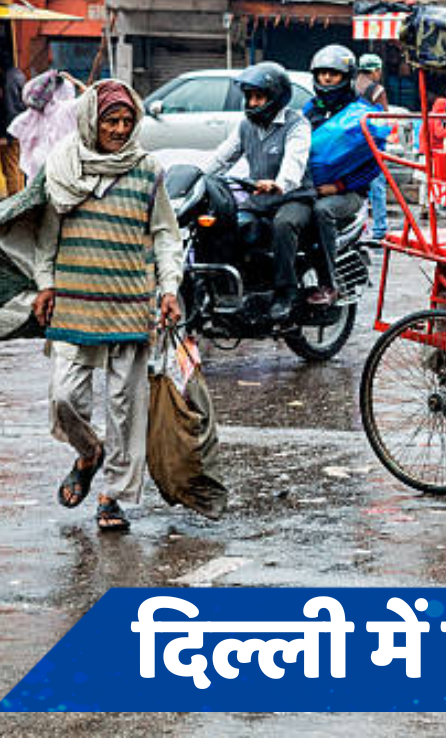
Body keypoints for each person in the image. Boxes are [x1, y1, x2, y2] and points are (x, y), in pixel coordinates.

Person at [31, 80, 183, 532]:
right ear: (90, 122)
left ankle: (111, 496)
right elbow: (46, 237)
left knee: (124, 406)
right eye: (110, 121)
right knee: (64, 396)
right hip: (75, 302)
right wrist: (45, 284)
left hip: (130, 302)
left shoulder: (146, 168)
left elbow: (164, 234)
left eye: (126, 121)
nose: (119, 129)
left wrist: (169, 287)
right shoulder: (61, 168)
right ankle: (88, 452)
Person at [205, 62, 313, 322]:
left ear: (276, 97)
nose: (252, 102)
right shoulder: (246, 126)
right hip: (259, 199)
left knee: (284, 225)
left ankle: (285, 293)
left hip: (294, 198)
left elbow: (294, 160)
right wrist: (197, 177)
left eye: (259, 96)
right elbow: (221, 157)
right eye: (249, 97)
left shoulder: (296, 124)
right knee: (227, 223)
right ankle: (232, 288)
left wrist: (281, 183)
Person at [304, 44, 368, 301]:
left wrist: (338, 187)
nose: (327, 78)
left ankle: (329, 283)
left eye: (334, 74)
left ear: (347, 77)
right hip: (309, 186)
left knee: (322, 210)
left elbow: (372, 166)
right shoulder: (310, 109)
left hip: (348, 193)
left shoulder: (359, 113)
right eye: (322, 74)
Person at [7, 69, 79, 180]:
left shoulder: (30, 116)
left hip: (37, 169)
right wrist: (76, 82)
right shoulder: (69, 108)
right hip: (62, 173)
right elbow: (95, 98)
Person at [355, 53, 390, 241]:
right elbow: (385, 119)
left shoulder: (351, 86)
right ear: (375, 70)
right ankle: (379, 230)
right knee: (377, 188)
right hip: (372, 144)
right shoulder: (377, 89)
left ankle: (358, 230)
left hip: (353, 145)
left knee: (356, 187)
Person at [0, 55, 27, 198]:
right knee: (17, 168)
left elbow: (10, 109)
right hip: (19, 130)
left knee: (11, 169)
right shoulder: (19, 75)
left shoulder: (8, 80)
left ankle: (15, 203)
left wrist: (7, 136)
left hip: (11, 132)